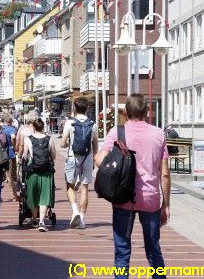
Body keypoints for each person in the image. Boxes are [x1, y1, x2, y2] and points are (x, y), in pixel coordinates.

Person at [95, 94, 171, 279]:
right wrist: (166, 205)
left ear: (126, 112)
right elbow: (165, 173)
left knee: (122, 252)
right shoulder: (158, 134)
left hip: (123, 197)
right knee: (154, 249)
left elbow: (99, 160)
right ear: (146, 111)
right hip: (150, 199)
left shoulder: (117, 132)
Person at [61, 97, 98, 229]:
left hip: (72, 157)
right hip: (87, 158)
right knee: (84, 188)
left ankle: (75, 210)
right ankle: (82, 219)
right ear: (87, 108)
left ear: (75, 109)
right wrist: (93, 158)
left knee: (70, 186)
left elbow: (62, 143)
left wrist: (68, 143)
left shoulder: (70, 123)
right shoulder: (92, 123)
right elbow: (95, 144)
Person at [22, 119, 56, 232]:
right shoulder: (49, 139)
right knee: (44, 196)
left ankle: (35, 219)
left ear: (34, 128)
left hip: (32, 171)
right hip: (46, 171)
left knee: (33, 196)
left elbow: (24, 156)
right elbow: (53, 156)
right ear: (43, 127)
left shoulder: (28, 139)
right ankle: (42, 221)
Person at [1, 113, 18, 201]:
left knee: (0, 175)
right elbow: (13, 137)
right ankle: (14, 195)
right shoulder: (12, 129)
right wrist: (14, 146)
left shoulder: (0, 129)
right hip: (10, 154)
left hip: (0, 154)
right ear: (10, 120)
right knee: (12, 175)